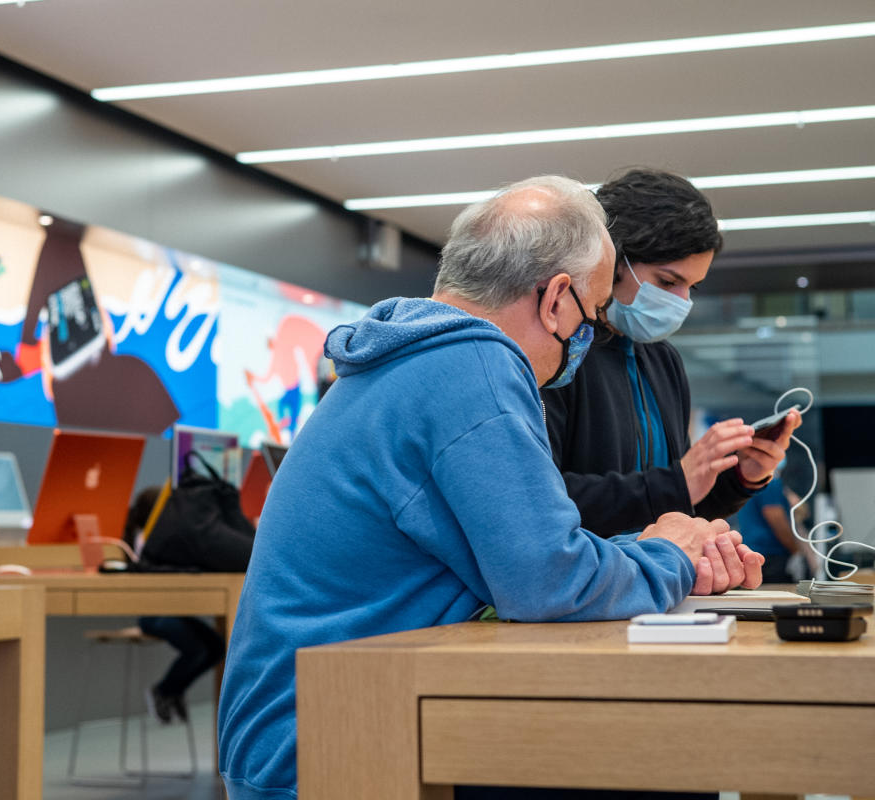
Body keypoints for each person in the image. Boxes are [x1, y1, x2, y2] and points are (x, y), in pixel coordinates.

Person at [217, 176, 763, 800]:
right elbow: (550, 580)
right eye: (589, 317)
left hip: (314, 718)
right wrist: (669, 550)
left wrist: (654, 548)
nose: (588, 340)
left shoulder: (413, 357)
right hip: (333, 737)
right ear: (557, 298)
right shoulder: (474, 368)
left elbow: (530, 556)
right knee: (660, 764)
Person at [542, 168, 800, 538]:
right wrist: (676, 482)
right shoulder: (557, 353)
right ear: (611, 258)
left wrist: (739, 476)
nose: (682, 302)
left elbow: (680, 506)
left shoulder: (662, 361)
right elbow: (540, 500)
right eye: (667, 281)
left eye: (691, 286)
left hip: (658, 580)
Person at [124, 487, 227, 724]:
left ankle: (174, 689)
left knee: (217, 646)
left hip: (173, 610)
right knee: (198, 649)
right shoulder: (147, 540)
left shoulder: (159, 538)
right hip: (153, 614)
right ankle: (164, 690)